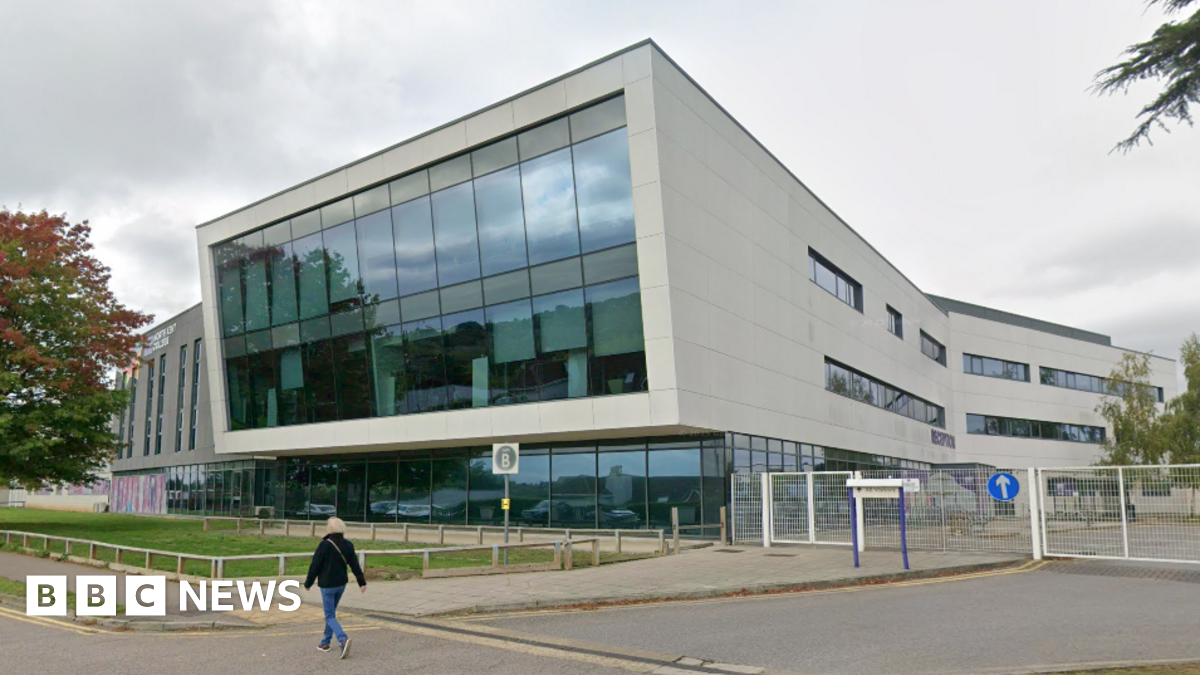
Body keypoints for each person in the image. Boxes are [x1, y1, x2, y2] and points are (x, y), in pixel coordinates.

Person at [304, 517, 367, 659]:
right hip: (341, 585)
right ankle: (325, 642)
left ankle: (342, 639)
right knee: (331, 613)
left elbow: (315, 566)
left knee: (330, 615)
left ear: (330, 529)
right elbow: (355, 565)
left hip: (327, 585)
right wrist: (362, 582)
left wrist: (308, 583)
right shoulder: (348, 545)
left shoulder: (324, 545)